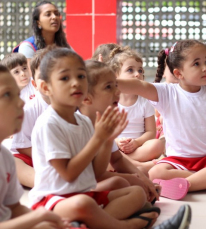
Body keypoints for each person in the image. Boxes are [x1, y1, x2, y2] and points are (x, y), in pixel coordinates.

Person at [29, 48, 161, 228]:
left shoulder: (82, 122)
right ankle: (127, 226)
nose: (76, 83)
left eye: (81, 77)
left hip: (85, 193)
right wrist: (98, 139)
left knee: (136, 194)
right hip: (54, 199)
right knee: (84, 205)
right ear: (45, 87)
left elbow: (95, 173)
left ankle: (88, 224)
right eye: (65, 78)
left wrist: (107, 141)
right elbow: (68, 174)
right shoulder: (49, 124)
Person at [116, 39, 206, 200]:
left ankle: (187, 185)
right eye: (196, 64)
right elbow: (137, 86)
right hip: (179, 160)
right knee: (156, 172)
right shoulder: (166, 92)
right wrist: (101, 78)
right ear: (178, 73)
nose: (205, 68)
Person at [79, 60, 160, 201]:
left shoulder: (103, 119)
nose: (117, 91)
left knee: (139, 177)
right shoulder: (77, 125)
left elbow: (117, 159)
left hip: (92, 179)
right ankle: (131, 222)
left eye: (116, 86)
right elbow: (93, 174)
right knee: (122, 183)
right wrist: (133, 179)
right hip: (75, 189)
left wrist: (144, 181)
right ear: (86, 98)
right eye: (108, 87)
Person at [0, 64, 68, 229]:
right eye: (7, 94)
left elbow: (15, 208)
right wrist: (40, 215)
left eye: (17, 94)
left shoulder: (4, 156)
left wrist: (47, 219)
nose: (20, 103)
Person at [108, 46, 165, 163]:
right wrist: (116, 143)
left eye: (140, 70)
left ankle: (123, 163)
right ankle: (130, 164)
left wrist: (136, 143)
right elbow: (103, 131)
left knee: (157, 145)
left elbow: (151, 132)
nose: (137, 74)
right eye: (130, 70)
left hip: (138, 149)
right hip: (114, 148)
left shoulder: (145, 101)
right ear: (115, 76)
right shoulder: (108, 102)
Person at [10, 47, 54, 188]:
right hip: (31, 155)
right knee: (14, 163)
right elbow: (22, 146)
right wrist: (44, 159)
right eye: (44, 75)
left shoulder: (74, 109)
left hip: (61, 159)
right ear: (35, 84)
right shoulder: (29, 109)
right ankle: (46, 184)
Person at [13, 1, 70, 68]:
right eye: (48, 14)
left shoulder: (64, 45)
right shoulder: (27, 46)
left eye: (56, 14)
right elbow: (31, 76)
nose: (54, 17)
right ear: (38, 23)